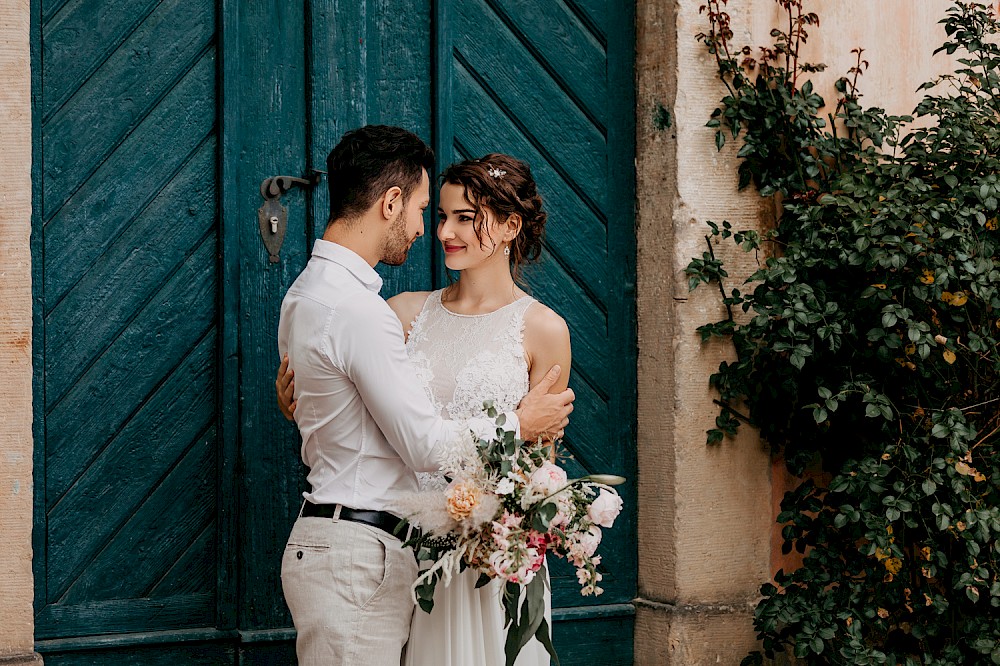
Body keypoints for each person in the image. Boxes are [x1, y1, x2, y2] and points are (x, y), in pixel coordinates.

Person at [276, 126, 574, 666]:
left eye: (465, 217)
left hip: (484, 555)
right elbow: (416, 439)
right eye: (434, 213)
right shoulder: (398, 312)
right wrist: (517, 424)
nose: (437, 231)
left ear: (511, 227)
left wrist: (506, 529)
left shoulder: (544, 329)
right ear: (392, 202)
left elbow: (540, 465)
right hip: (401, 553)